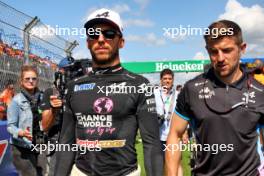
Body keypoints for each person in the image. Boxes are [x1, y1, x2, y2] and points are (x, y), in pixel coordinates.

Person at [55, 8, 163, 176]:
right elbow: (66, 143)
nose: (100, 39)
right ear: (88, 42)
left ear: (121, 42)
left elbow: (151, 143)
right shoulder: (73, 86)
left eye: (109, 34)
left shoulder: (140, 84)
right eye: (93, 34)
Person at [165, 20, 264, 176]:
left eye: (227, 50)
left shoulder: (260, 93)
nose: (220, 58)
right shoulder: (191, 89)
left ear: (242, 49)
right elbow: (175, 135)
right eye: (213, 51)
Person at [7, 65, 45, 176]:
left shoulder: (42, 98)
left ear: (37, 80)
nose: (31, 81)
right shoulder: (16, 100)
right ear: (21, 81)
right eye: (27, 79)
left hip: (39, 144)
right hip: (21, 147)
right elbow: (10, 126)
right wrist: (20, 132)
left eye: (33, 78)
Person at [154, 69, 183, 176]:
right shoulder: (154, 93)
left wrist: (184, 134)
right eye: (165, 78)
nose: (167, 81)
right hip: (158, 136)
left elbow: (184, 115)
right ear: (161, 80)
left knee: (176, 164)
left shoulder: (179, 95)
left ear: (173, 80)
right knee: (160, 166)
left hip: (174, 136)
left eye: (170, 79)